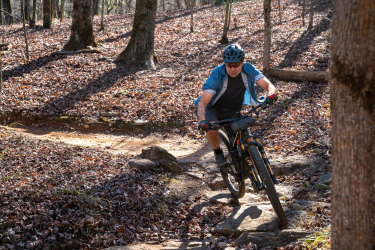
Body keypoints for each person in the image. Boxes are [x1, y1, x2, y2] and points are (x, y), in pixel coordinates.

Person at [194, 44, 278, 168]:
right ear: (225, 63)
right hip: (213, 109)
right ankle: (218, 152)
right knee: (211, 131)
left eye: (236, 65)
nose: (232, 69)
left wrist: (271, 95)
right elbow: (202, 102)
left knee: (248, 141)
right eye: (229, 65)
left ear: (242, 62)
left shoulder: (248, 69)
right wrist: (202, 121)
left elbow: (268, 85)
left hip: (234, 110)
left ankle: (262, 179)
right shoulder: (217, 74)